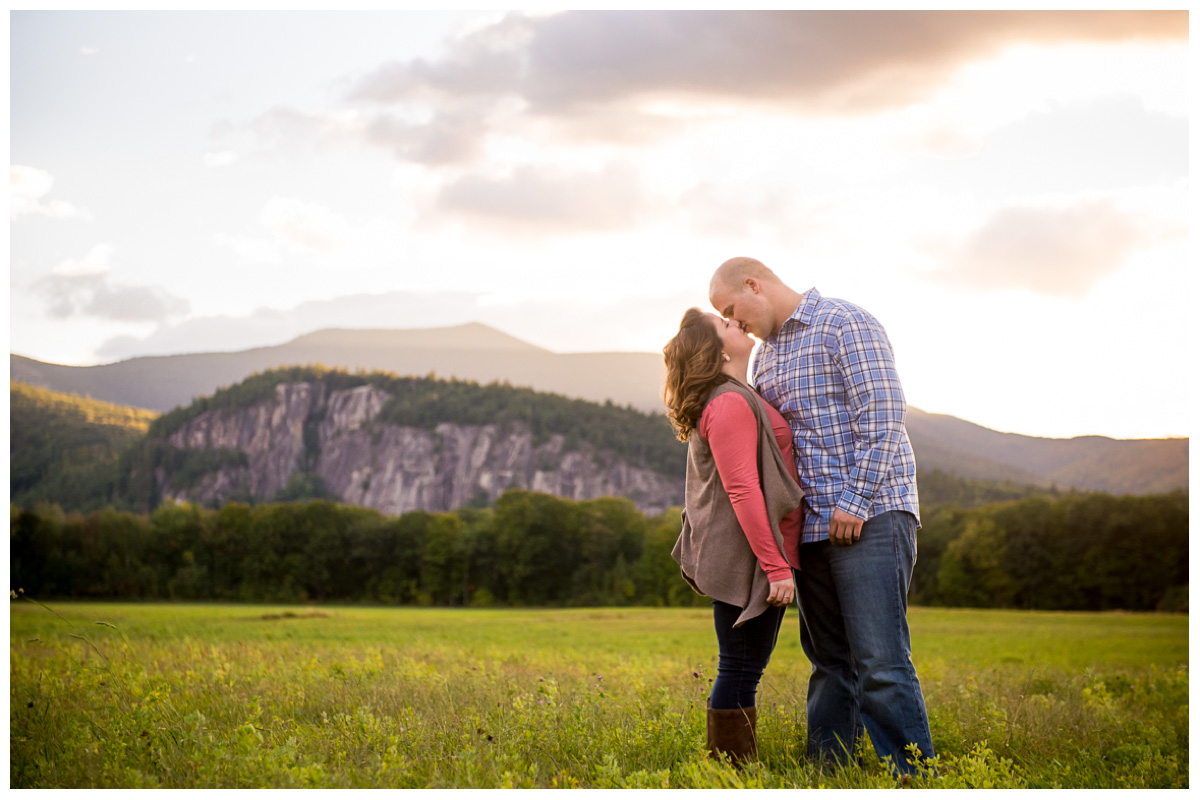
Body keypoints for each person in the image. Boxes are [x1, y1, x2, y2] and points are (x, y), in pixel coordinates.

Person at [708, 256, 935, 776]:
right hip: (811, 530)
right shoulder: (765, 359)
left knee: (880, 660)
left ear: (753, 284)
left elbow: (882, 417)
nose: (734, 323)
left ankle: (913, 776)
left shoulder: (845, 323)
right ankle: (827, 774)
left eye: (731, 310)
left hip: (872, 514)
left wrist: (854, 502)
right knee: (830, 662)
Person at [662, 307, 805, 767]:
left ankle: (731, 770)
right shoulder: (727, 403)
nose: (735, 322)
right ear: (720, 350)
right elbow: (743, 489)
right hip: (749, 559)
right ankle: (731, 774)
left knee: (744, 666)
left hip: (758, 554)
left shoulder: (741, 394)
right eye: (725, 324)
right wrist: (776, 567)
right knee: (741, 667)